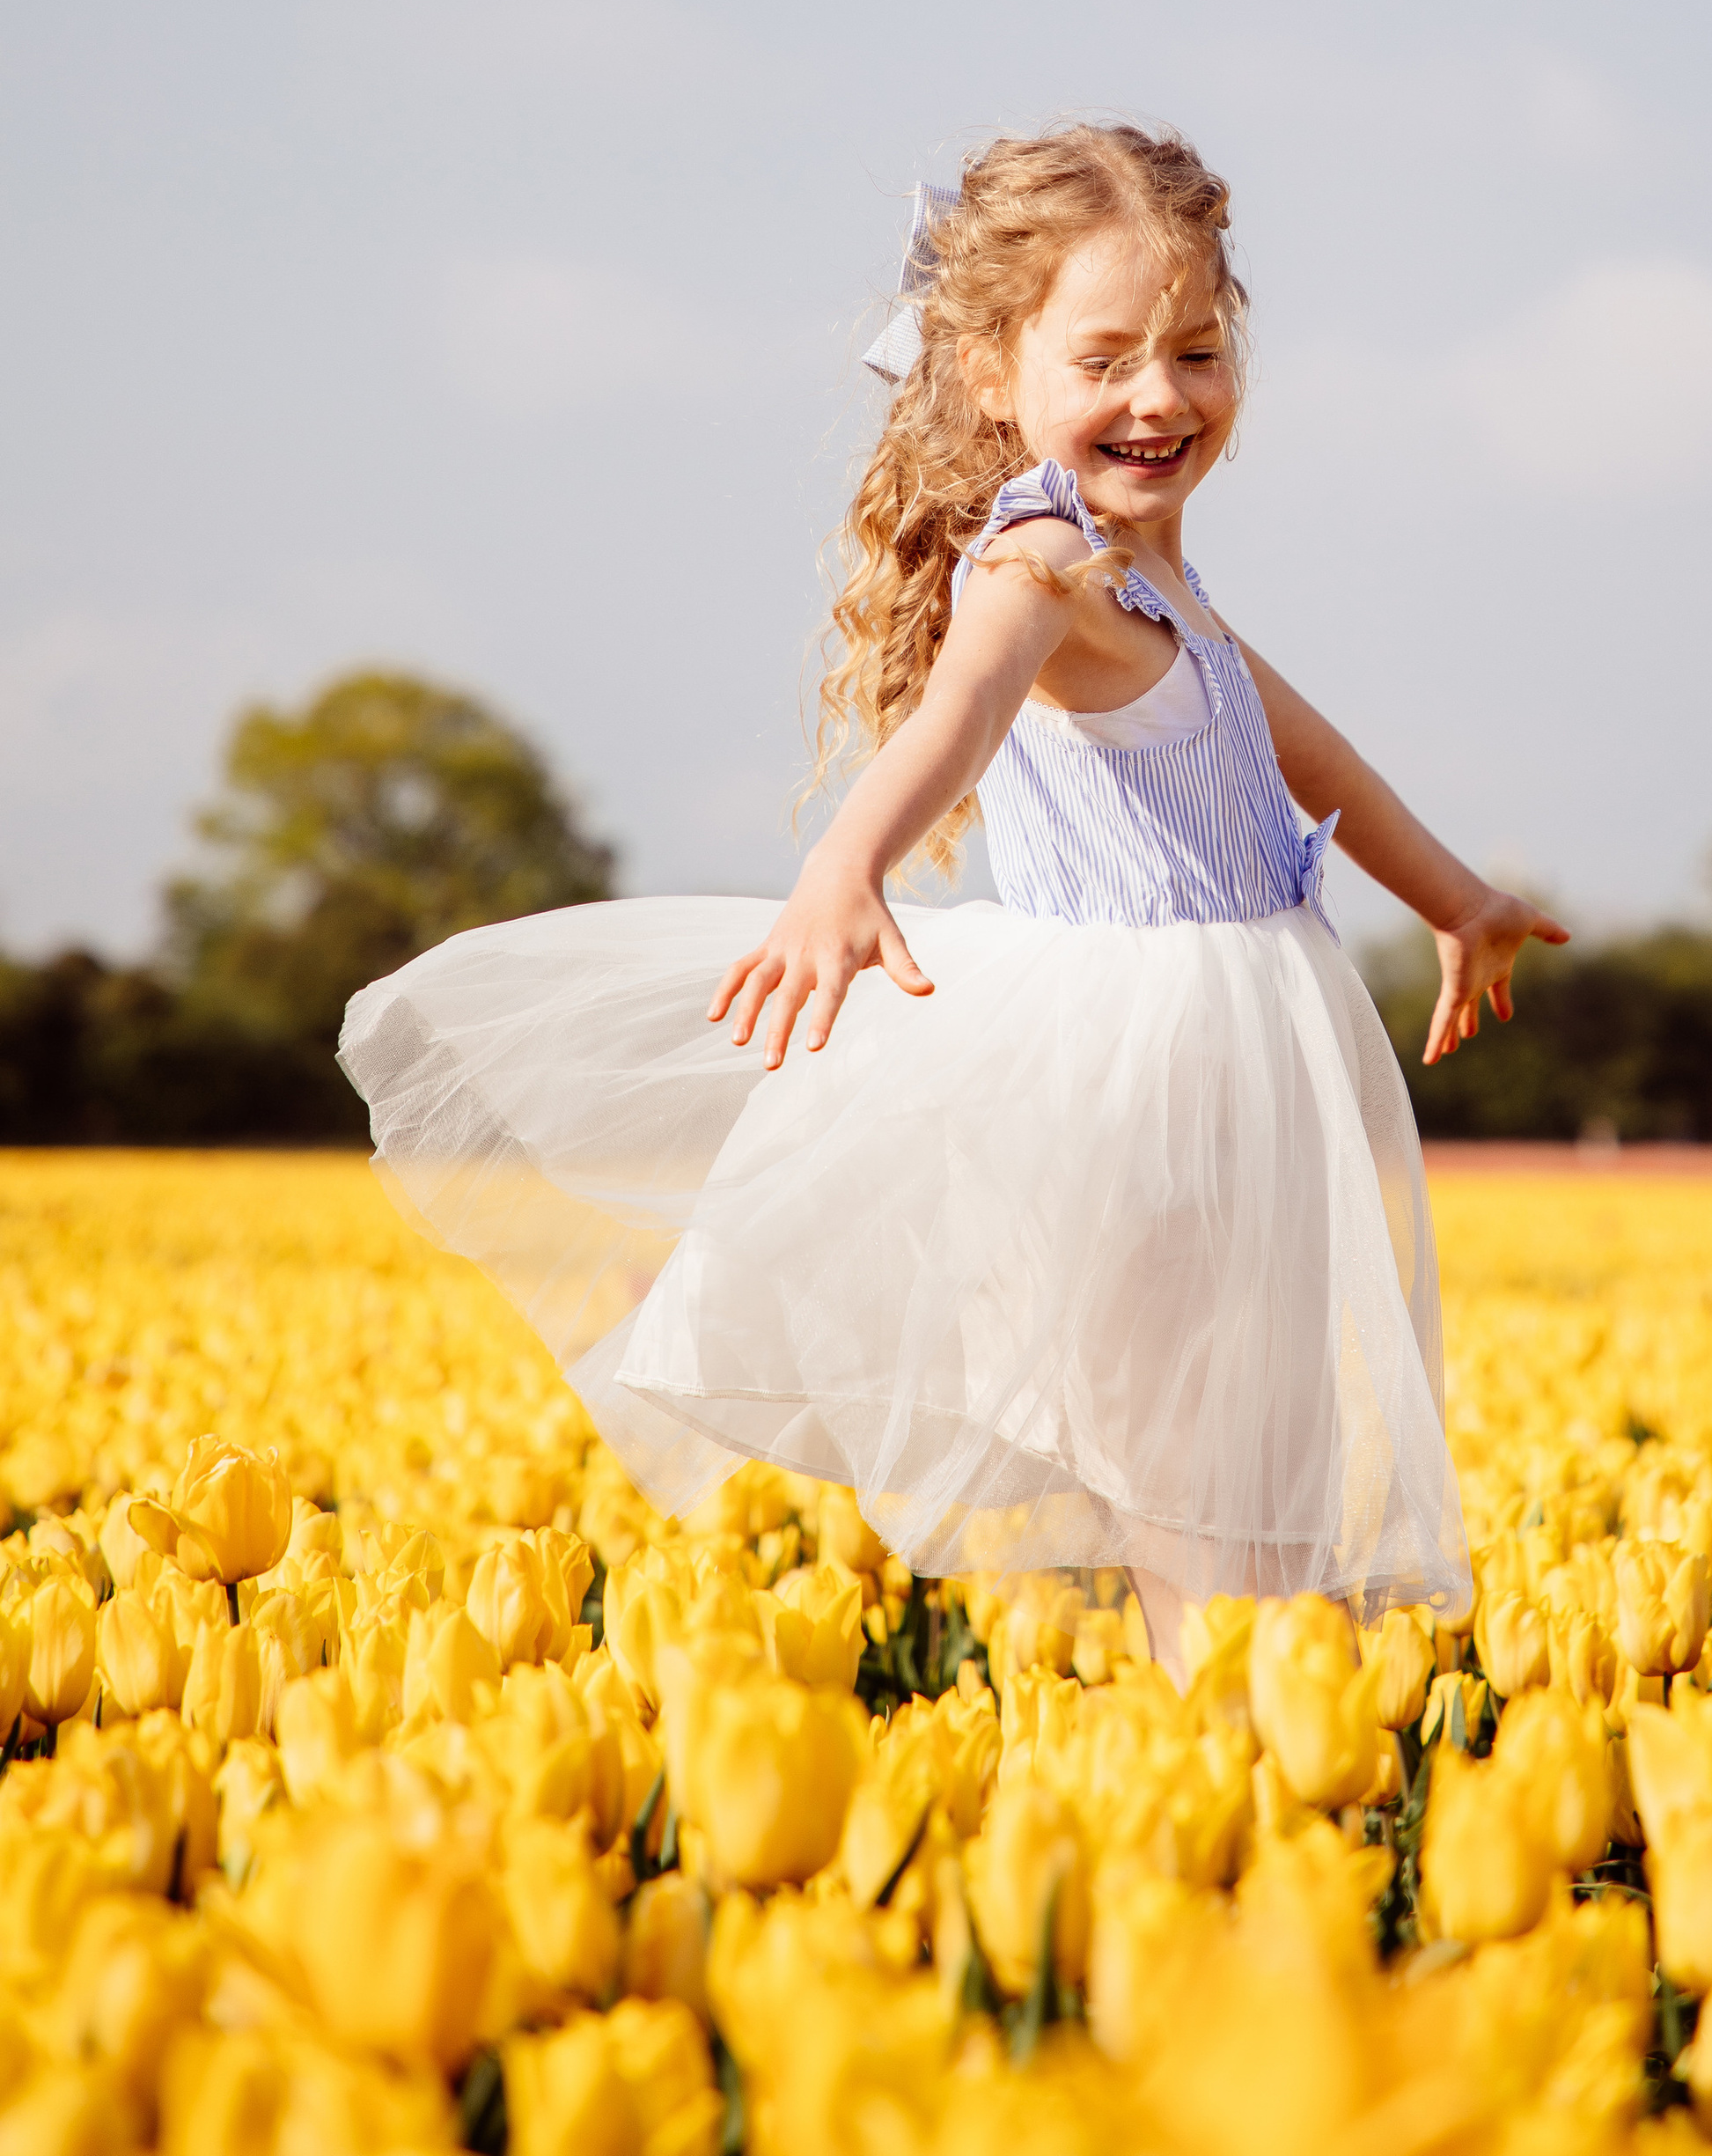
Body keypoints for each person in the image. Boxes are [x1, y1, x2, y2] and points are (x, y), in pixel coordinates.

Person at [342, 121, 1565, 1674]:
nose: (1158, 396)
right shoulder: (1043, 566)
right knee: (1194, 1468)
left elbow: (1309, 754)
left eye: (1196, 353)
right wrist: (842, 870)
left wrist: (1455, 897)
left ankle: (1249, 1740)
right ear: (994, 372)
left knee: (1263, 1457)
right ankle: (1232, 1749)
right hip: (1145, 1069)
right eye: (1107, 356)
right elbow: (952, 725)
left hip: (1248, 1048)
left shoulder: (1156, 578)